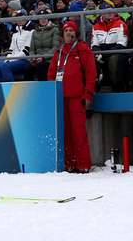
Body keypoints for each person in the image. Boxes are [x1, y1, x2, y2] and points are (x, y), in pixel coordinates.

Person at [48, 20, 96, 173]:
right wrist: (52, 93)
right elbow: (51, 73)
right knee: (66, 132)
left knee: (78, 132)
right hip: (61, 98)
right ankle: (70, 164)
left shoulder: (83, 49)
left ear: (76, 33)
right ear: (62, 34)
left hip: (77, 97)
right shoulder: (59, 51)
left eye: (71, 30)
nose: (69, 33)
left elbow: (91, 73)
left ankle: (83, 164)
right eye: (66, 30)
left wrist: (88, 94)